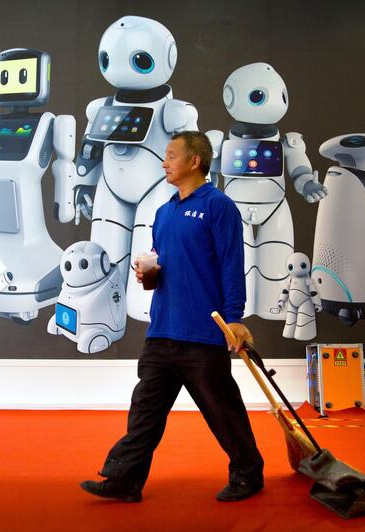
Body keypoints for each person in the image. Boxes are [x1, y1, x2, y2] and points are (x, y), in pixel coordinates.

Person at [80, 131, 264, 503]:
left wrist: (235, 319)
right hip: (162, 330)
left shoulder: (218, 206)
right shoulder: (164, 211)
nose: (164, 162)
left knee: (221, 411)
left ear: (195, 161)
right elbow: (164, 263)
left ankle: (248, 474)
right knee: (145, 410)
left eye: (171, 155)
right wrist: (149, 275)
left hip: (203, 332)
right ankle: (124, 479)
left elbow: (232, 265)